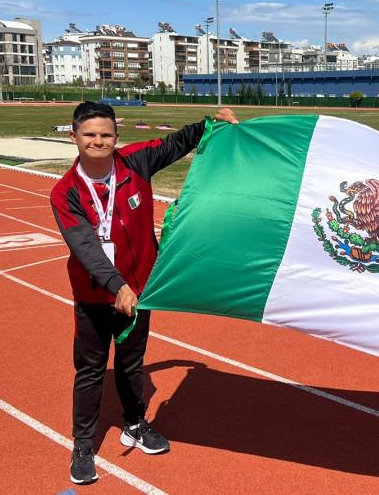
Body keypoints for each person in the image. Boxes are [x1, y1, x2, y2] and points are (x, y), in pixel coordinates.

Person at [50, 101, 238, 484]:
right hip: (94, 297)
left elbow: (177, 143)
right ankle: (83, 444)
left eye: (105, 134)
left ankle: (134, 424)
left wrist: (209, 122)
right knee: (89, 370)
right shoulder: (65, 192)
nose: (98, 141)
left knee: (132, 364)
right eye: (89, 135)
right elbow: (84, 245)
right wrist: (116, 285)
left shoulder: (136, 162)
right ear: (74, 137)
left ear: (117, 137)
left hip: (140, 293)